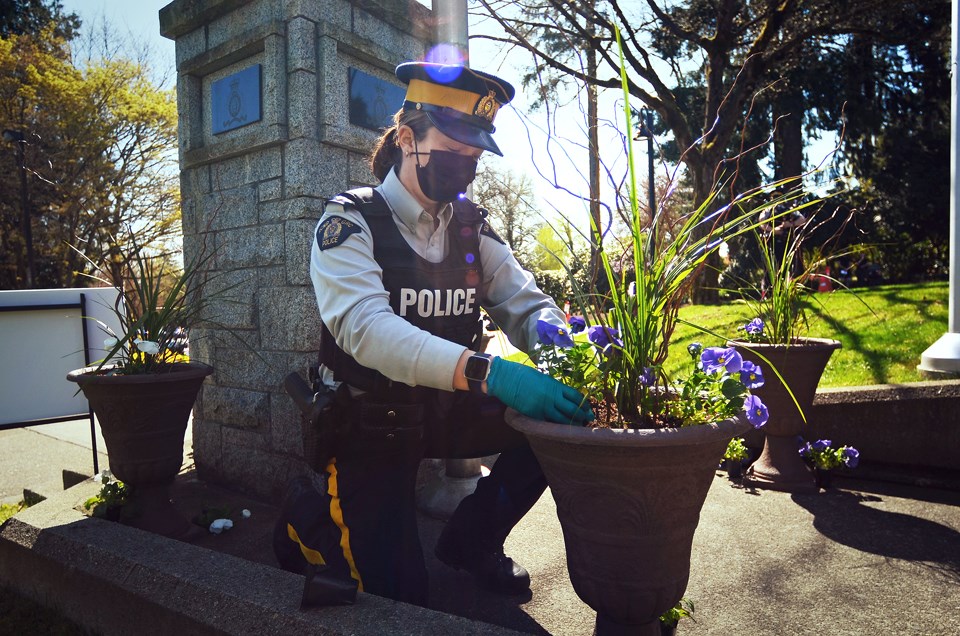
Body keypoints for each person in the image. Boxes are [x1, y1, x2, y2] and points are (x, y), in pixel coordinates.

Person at [274, 61, 593, 607]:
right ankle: (307, 523)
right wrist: (490, 374)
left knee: (556, 427)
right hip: (370, 422)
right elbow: (367, 330)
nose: (464, 170)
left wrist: (576, 355)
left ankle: (471, 541)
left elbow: (525, 303)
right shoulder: (350, 223)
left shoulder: (471, 228)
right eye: (453, 153)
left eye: (474, 159)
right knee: (398, 599)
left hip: (448, 409)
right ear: (406, 139)